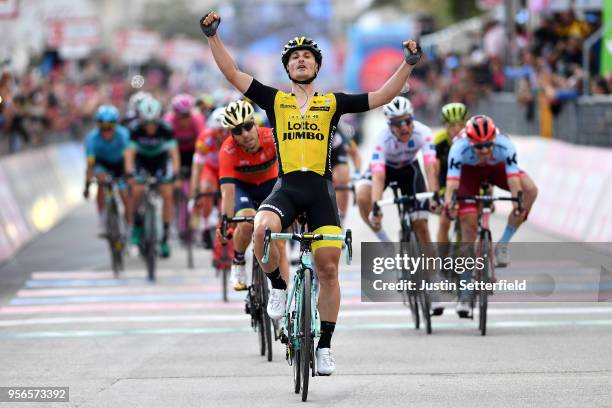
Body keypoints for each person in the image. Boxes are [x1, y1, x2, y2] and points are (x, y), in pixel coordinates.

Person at [201, 10, 422, 375]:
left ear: (316, 65)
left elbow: (383, 95)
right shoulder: (275, 101)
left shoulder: (332, 102)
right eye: (294, 57)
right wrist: (212, 37)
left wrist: (408, 64)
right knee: (260, 228)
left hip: (321, 192)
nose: (300, 59)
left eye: (307, 56)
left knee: (330, 271)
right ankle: (276, 286)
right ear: (287, 68)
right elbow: (233, 74)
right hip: (286, 188)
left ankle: (324, 347)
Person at [443, 115, 538, 317]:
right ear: (470, 142)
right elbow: (452, 184)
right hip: (468, 174)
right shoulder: (458, 147)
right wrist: (450, 205)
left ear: (494, 140)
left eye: (488, 145)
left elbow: (513, 180)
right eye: (479, 147)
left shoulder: (505, 144)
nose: (485, 150)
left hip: (496, 170)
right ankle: (466, 291)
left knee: (529, 191)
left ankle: (502, 244)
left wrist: (517, 202)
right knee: (468, 228)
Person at [216, 100, 288, 290]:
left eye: (248, 127)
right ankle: (239, 262)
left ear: (255, 123)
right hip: (243, 188)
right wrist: (225, 221)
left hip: (270, 185)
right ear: (231, 134)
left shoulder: (272, 137)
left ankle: (283, 293)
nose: (245, 134)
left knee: (278, 241)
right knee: (246, 223)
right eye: (238, 131)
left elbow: (287, 173)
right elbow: (228, 190)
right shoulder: (228, 150)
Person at [356, 96, 439, 243]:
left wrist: (434, 194)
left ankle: (430, 265)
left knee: (422, 226)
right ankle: (385, 241)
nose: (404, 127)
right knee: (362, 196)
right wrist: (376, 206)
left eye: (407, 121)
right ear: (389, 125)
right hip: (386, 169)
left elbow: (430, 166)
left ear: (412, 118)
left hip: (409, 168)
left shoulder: (423, 132)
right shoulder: (382, 139)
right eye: (397, 123)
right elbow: (378, 175)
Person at [124, 98, 180, 258]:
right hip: (142, 162)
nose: (150, 127)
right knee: (137, 190)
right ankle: (136, 229)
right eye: (146, 123)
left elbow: (174, 153)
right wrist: (129, 172)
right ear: (141, 120)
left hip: (160, 162)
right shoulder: (134, 129)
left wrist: (175, 173)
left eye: (153, 123)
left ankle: (164, 239)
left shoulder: (166, 129)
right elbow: (129, 153)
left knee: (167, 194)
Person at [83, 105, 131, 234]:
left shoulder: (123, 134)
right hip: (101, 164)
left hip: (119, 164)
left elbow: (128, 156)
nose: (106, 131)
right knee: (101, 183)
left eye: (110, 127)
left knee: (125, 195)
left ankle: (129, 228)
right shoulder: (92, 139)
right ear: (98, 126)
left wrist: (129, 174)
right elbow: (90, 164)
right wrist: (87, 184)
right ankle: (102, 218)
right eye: (103, 127)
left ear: (115, 125)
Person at [190, 107, 229, 248]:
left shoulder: (235, 136)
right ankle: (205, 223)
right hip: (211, 169)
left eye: (227, 130)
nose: (224, 134)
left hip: (228, 170)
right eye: (220, 130)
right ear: (213, 129)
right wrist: (195, 191)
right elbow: (197, 167)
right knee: (206, 188)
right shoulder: (205, 138)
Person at [433, 102, 468, 243]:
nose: (457, 129)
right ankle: (443, 260)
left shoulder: (472, 138)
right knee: (444, 222)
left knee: (471, 219)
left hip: (467, 180)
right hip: (445, 182)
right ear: (445, 126)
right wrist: (435, 193)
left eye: (461, 124)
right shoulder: (439, 140)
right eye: (451, 125)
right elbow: (433, 169)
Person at [164, 94, 206, 181]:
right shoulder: (168, 120)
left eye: (188, 115)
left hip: (193, 151)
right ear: (175, 114)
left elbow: (202, 142)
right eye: (182, 116)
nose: (185, 119)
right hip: (177, 152)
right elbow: (167, 145)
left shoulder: (198, 119)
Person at [331, 119, 362, 226]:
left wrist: (357, 172)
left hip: (336, 155)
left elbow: (355, 154)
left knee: (342, 178)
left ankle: (341, 219)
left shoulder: (341, 130)